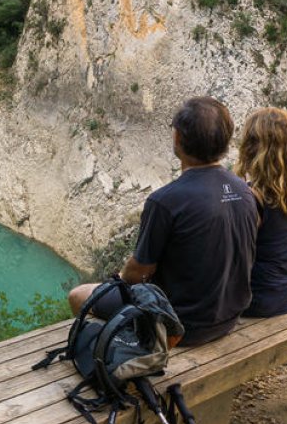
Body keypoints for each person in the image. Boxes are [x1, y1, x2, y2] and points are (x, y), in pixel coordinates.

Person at [68, 97, 258, 346]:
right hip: (228, 317)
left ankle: (130, 348)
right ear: (226, 142)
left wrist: (120, 278)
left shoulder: (166, 201)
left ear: (177, 138)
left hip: (179, 326)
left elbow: (138, 272)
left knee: (79, 295)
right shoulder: (243, 190)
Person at [236, 108, 287, 317]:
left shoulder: (254, 198)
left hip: (255, 299)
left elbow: (232, 254)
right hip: (285, 293)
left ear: (253, 148)